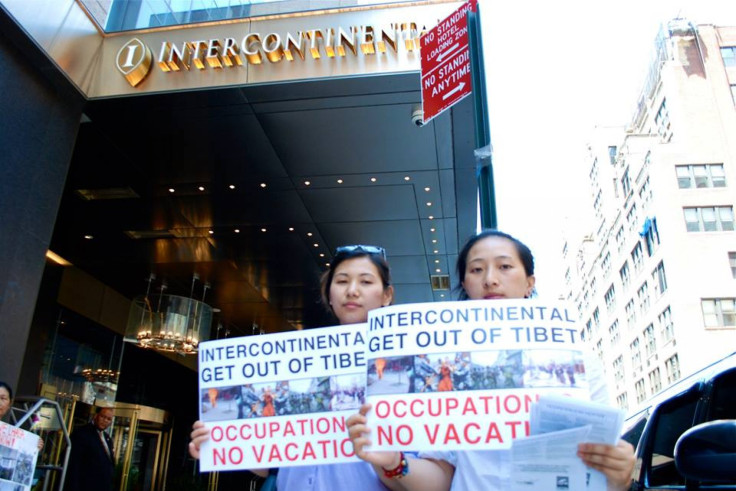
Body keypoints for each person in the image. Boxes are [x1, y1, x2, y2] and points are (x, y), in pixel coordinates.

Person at [347, 230, 636, 491]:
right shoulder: (446, 366)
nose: (490, 279)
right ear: (465, 285)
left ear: (529, 283)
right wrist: (394, 461)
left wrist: (618, 477)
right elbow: (440, 479)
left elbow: (598, 472)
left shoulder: (576, 359)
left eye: (505, 266)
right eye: (476, 270)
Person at [189, 244, 395, 491]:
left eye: (365, 282)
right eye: (341, 281)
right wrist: (220, 442)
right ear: (328, 293)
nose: (352, 291)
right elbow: (274, 465)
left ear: (386, 295)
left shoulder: (396, 361)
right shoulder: (299, 360)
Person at [65, 406, 115, 491]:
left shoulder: (108, 439)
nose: (105, 420)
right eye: (103, 417)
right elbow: (74, 464)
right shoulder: (82, 433)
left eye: (109, 419)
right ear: (95, 416)